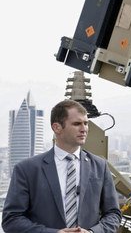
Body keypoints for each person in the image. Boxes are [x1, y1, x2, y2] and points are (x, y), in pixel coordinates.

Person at [2, 99, 122, 233]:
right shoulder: (27, 169)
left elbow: (113, 214)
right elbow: (11, 220)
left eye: (86, 123)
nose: (84, 129)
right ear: (57, 127)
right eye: (77, 124)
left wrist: (92, 232)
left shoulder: (100, 166)